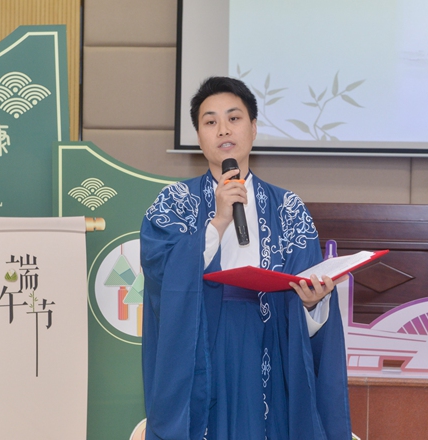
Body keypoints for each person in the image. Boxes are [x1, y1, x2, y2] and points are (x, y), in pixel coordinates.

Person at [140, 76, 352, 439]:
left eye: (234, 118)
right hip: (203, 347)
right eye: (210, 122)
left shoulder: (288, 208)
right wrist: (218, 221)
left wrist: (312, 304)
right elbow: (162, 275)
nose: (223, 129)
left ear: (253, 128)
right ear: (198, 136)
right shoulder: (174, 202)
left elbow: (307, 285)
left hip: (270, 345)